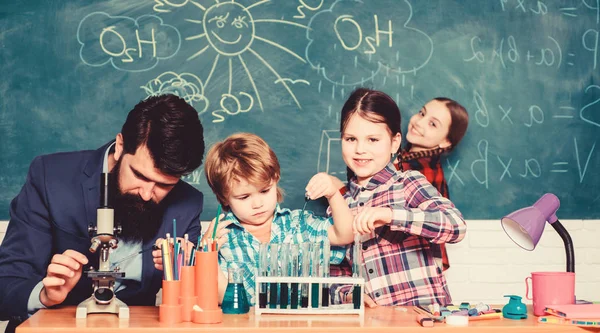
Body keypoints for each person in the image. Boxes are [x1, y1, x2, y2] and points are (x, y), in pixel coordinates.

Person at [0, 94, 205, 332]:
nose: (148, 194)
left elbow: (191, 307)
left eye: (164, 185)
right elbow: (6, 284)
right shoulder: (51, 177)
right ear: (120, 146)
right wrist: (45, 295)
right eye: (140, 176)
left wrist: (186, 269)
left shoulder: (188, 204)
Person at [330, 88, 467, 307]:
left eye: (373, 139)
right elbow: (337, 271)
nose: (360, 149)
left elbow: (456, 226)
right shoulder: (339, 205)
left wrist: (390, 215)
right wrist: (348, 294)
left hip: (423, 318)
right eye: (351, 139)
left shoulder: (408, 183)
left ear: (394, 143)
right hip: (375, 323)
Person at [201, 133, 354, 305]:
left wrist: (333, 193)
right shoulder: (224, 238)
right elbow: (222, 297)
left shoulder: (299, 224)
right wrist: (209, 255)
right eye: (244, 197)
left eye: (265, 191)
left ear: (275, 179)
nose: (257, 203)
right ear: (223, 198)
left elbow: (345, 234)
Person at [398, 97, 469, 271]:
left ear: (445, 141)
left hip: (416, 263)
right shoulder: (404, 159)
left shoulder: (422, 172)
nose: (419, 122)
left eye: (433, 124)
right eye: (422, 113)